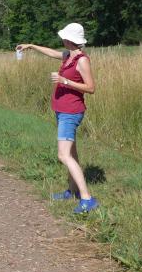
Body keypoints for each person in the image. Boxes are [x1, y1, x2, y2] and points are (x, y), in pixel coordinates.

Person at [16, 23, 98, 213]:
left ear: (70, 39)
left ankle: (87, 199)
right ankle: (72, 190)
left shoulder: (82, 60)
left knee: (63, 155)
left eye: (64, 37)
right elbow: (52, 53)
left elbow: (91, 88)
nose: (62, 39)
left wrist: (65, 81)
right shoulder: (68, 56)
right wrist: (31, 46)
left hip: (71, 112)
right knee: (72, 153)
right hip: (62, 111)